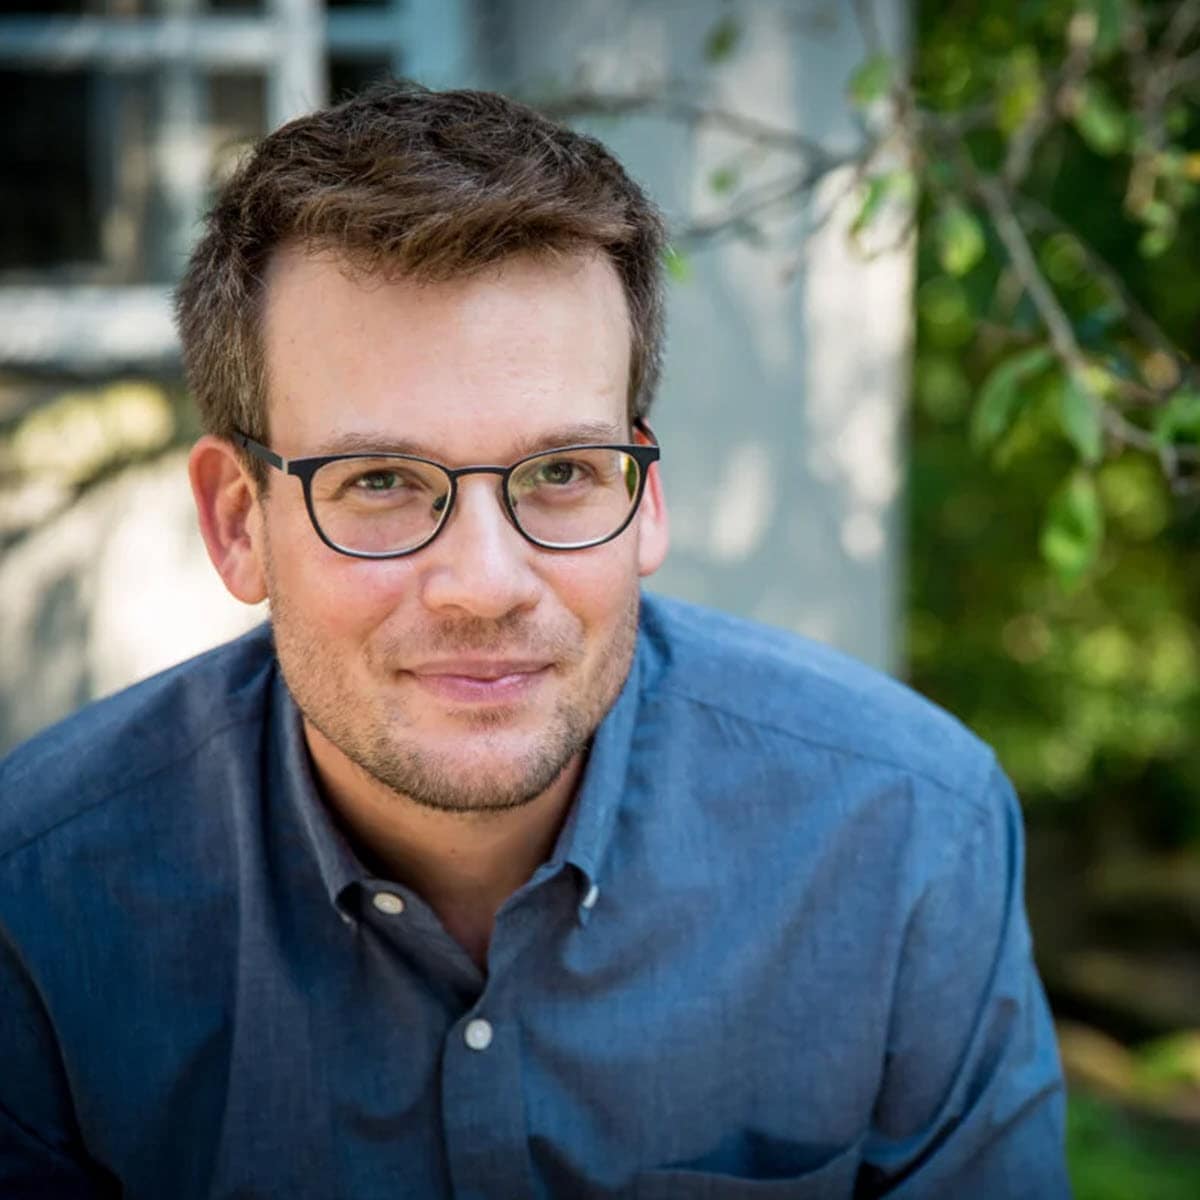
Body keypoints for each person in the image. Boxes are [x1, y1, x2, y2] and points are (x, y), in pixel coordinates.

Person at [0, 81, 1069, 1198]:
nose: (485, 586)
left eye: (560, 473)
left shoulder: (907, 839)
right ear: (236, 522)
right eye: (380, 481)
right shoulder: (37, 902)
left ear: (646, 497)